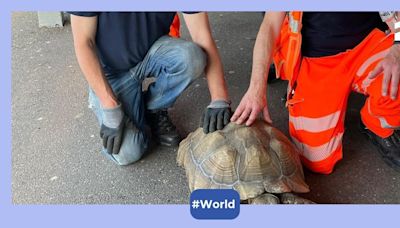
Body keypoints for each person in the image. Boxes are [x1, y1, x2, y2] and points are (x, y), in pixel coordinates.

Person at [231, 12, 400, 174]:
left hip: (370, 43)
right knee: (317, 161)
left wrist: (398, 46)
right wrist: (256, 89)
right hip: (318, 61)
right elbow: (270, 26)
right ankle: (300, 87)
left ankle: (376, 125)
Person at [70, 12, 232, 165]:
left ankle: (153, 108)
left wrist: (220, 99)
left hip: (153, 52)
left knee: (192, 58)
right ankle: (122, 103)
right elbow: (83, 42)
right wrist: (109, 105)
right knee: (128, 152)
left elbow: (202, 36)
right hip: (111, 73)